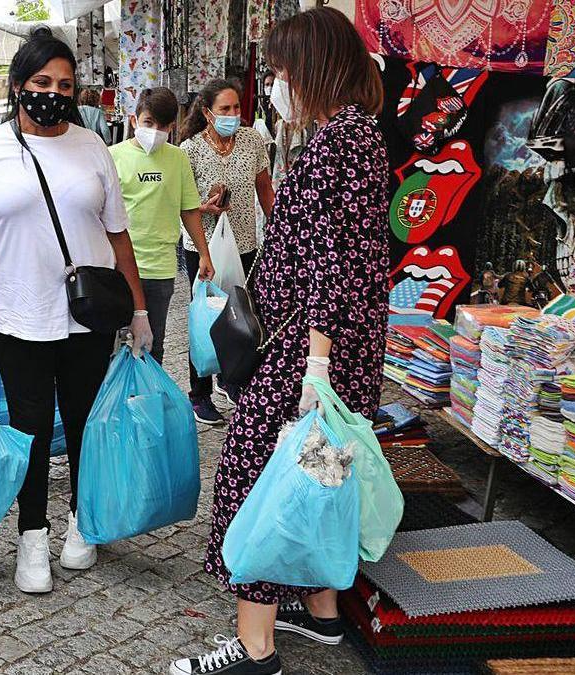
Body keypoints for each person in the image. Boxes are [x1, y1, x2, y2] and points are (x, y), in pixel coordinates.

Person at [170, 8, 389, 675]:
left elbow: (332, 259)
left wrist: (314, 368)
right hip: (328, 342)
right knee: (315, 471)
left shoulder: (340, 140)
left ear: (314, 68)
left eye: (282, 70)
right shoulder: (350, 135)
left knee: (257, 475)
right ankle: (321, 611)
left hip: (309, 346)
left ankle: (255, 646)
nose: (275, 84)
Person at [0, 29, 151, 594]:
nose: (53, 93)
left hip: (87, 317)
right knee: (30, 429)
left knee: (86, 422)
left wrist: (138, 311)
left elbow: (119, 237)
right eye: (41, 82)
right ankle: (31, 537)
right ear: (18, 86)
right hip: (17, 316)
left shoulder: (92, 148)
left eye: (64, 84)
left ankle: (83, 522)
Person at [177, 79, 276, 425]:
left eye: (237, 108)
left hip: (245, 243)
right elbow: (183, 204)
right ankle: (199, 393)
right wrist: (203, 208)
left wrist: (277, 228)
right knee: (204, 316)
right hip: (202, 247)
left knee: (241, 316)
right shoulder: (188, 150)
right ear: (207, 112)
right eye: (225, 110)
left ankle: (233, 379)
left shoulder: (251, 141)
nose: (233, 115)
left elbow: (265, 188)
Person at [110, 87, 219, 364]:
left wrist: (204, 254)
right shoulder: (112, 157)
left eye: (162, 126)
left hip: (160, 268)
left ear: (172, 127)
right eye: (148, 123)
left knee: (151, 345)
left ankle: (147, 403)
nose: (154, 131)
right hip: (117, 267)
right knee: (114, 347)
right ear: (134, 120)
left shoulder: (178, 158)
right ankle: (117, 404)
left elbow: (189, 209)